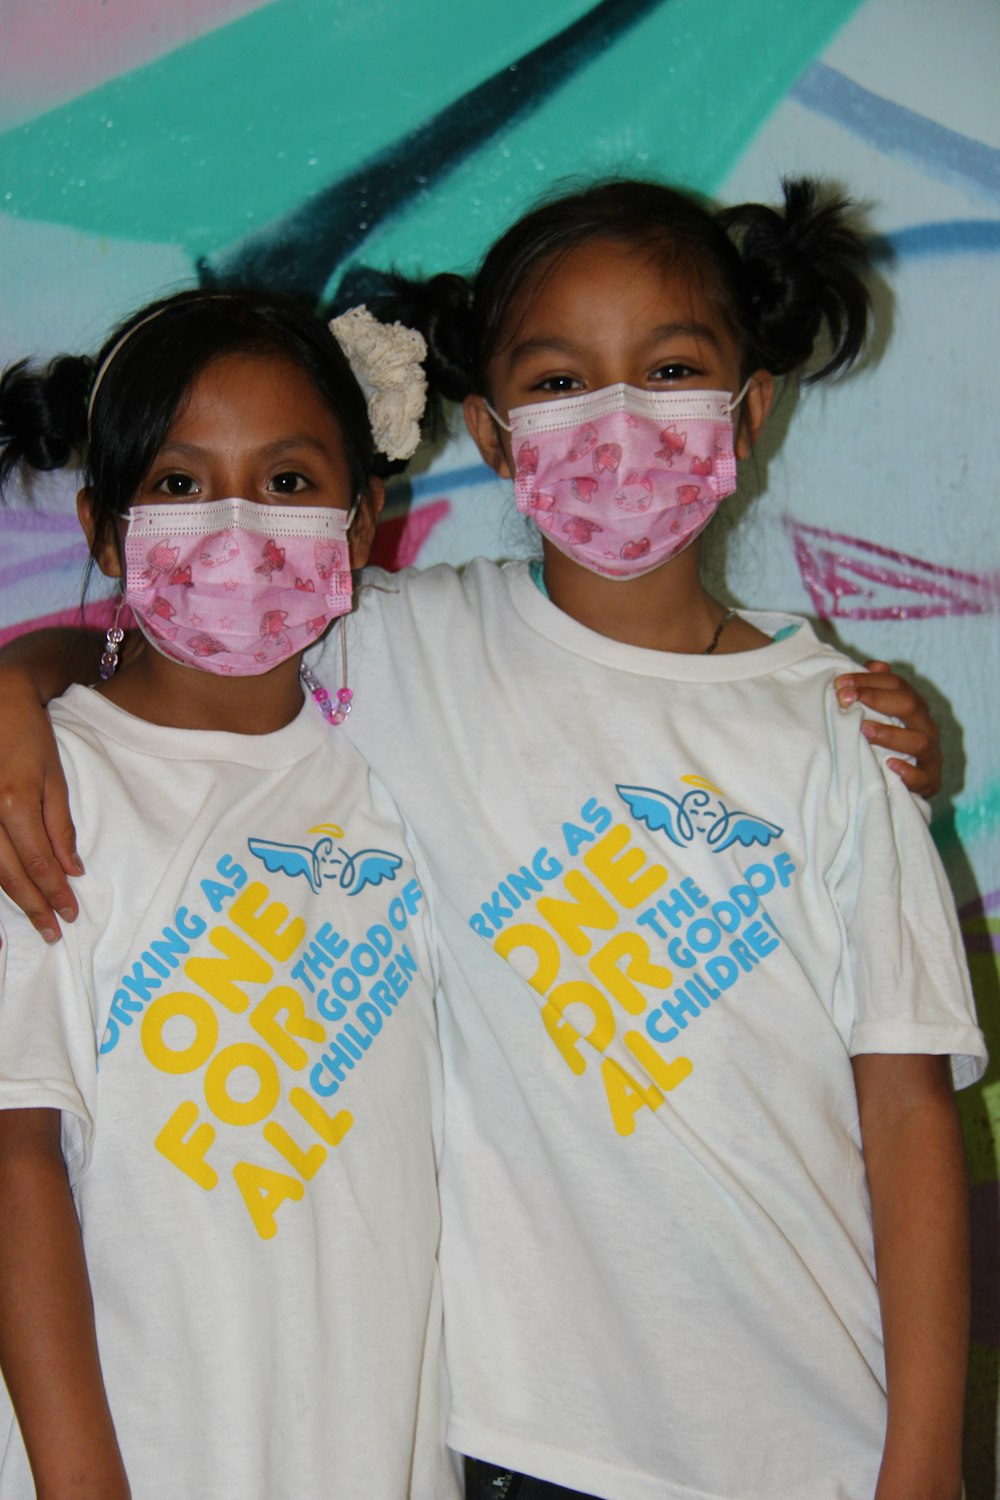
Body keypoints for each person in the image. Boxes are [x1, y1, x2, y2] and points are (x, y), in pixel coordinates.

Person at [0, 179, 981, 1500]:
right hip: (521, 1448)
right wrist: (15, 685)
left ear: (745, 412)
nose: (617, 421)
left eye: (671, 369)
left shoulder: (839, 735)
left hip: (810, 1439)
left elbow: (911, 1112)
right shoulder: (404, 645)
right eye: (562, 380)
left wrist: (925, 1464)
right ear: (493, 430)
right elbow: (178, 634)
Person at [0, 290, 459, 1499]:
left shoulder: (394, 760)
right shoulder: (44, 797)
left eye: (291, 481)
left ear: (363, 520)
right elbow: (13, 1156)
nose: (238, 524)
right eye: (180, 483)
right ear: (105, 531)